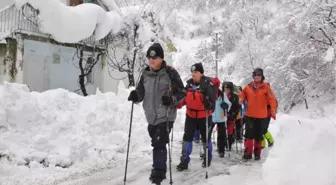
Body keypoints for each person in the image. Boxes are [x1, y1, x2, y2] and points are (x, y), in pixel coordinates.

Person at [127, 43, 185, 184]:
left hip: (166, 115)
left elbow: (182, 93)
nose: (151, 61)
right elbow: (141, 91)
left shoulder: (170, 73)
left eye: (155, 57)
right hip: (151, 116)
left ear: (161, 58)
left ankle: (158, 174)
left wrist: (172, 99)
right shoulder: (145, 73)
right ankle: (159, 168)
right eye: (149, 58)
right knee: (156, 141)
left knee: (159, 142)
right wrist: (136, 95)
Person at [176, 63, 217, 171]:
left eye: (195, 72)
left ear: (201, 73)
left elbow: (213, 101)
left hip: (204, 116)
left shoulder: (208, 85)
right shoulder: (189, 85)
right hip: (190, 116)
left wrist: (209, 104)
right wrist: (175, 104)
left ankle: (207, 158)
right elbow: (184, 98)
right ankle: (184, 161)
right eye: (192, 72)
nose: (193, 74)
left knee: (205, 138)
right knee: (187, 138)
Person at [239, 68, 277, 160]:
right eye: (255, 75)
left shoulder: (266, 87)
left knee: (258, 135)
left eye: (259, 75)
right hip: (249, 115)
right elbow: (243, 94)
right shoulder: (248, 86)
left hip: (261, 116)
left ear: (262, 76)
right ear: (253, 76)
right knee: (248, 135)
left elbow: (272, 98)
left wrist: (273, 108)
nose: (257, 77)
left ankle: (257, 154)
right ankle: (248, 153)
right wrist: (241, 99)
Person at [212, 87, 232, 158]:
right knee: (207, 135)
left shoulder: (223, 95)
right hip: (211, 117)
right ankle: (207, 151)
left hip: (221, 117)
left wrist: (226, 106)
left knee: (222, 135)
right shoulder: (209, 93)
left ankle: (221, 151)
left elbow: (229, 104)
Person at [222, 81, 241, 151]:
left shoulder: (235, 97)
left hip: (231, 117)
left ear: (231, 89)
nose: (226, 91)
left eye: (228, 89)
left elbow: (238, 107)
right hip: (222, 117)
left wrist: (233, 114)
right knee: (221, 131)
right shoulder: (221, 96)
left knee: (229, 131)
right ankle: (221, 145)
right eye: (225, 89)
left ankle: (228, 145)